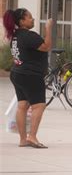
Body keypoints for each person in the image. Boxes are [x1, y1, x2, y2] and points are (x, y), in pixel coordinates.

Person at [3, 8, 53, 149]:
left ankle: (23, 139)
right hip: (31, 75)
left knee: (23, 106)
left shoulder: (16, 36)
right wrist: (48, 29)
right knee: (39, 106)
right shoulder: (29, 35)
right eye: (29, 17)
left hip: (18, 73)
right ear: (22, 21)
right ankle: (32, 137)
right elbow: (46, 46)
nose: (33, 19)